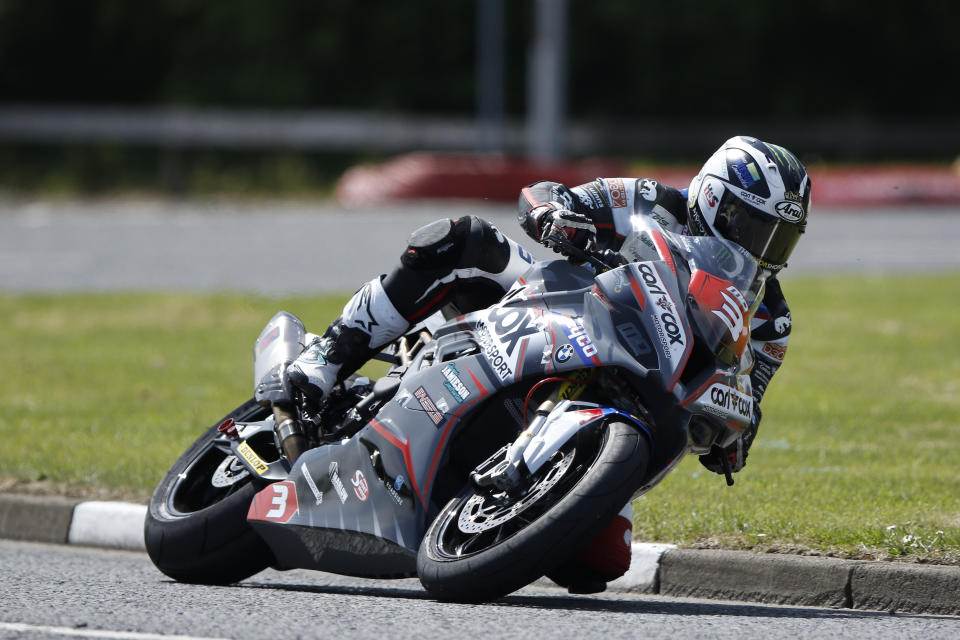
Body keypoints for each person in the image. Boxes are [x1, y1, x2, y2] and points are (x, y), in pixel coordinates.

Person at [285, 135, 810, 591]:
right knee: (466, 240)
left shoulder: (771, 316)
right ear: (717, 200)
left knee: (596, 567)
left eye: (781, 237)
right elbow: (547, 195)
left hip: (647, 393)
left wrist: (734, 439)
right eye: (757, 226)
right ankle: (329, 355)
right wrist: (556, 216)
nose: (765, 248)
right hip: (560, 307)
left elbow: (751, 392)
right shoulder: (653, 200)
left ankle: (511, 500)